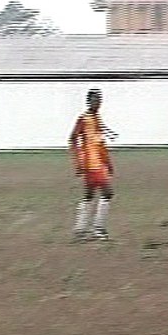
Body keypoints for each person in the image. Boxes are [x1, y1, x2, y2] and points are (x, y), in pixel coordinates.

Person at [70, 89, 116, 242]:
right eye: (95, 100)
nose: (98, 104)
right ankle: (97, 229)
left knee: (90, 195)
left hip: (98, 163)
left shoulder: (97, 118)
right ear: (89, 101)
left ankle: (81, 229)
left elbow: (100, 142)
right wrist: (79, 162)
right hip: (90, 164)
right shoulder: (84, 119)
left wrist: (108, 162)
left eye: (100, 101)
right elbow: (72, 139)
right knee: (107, 193)